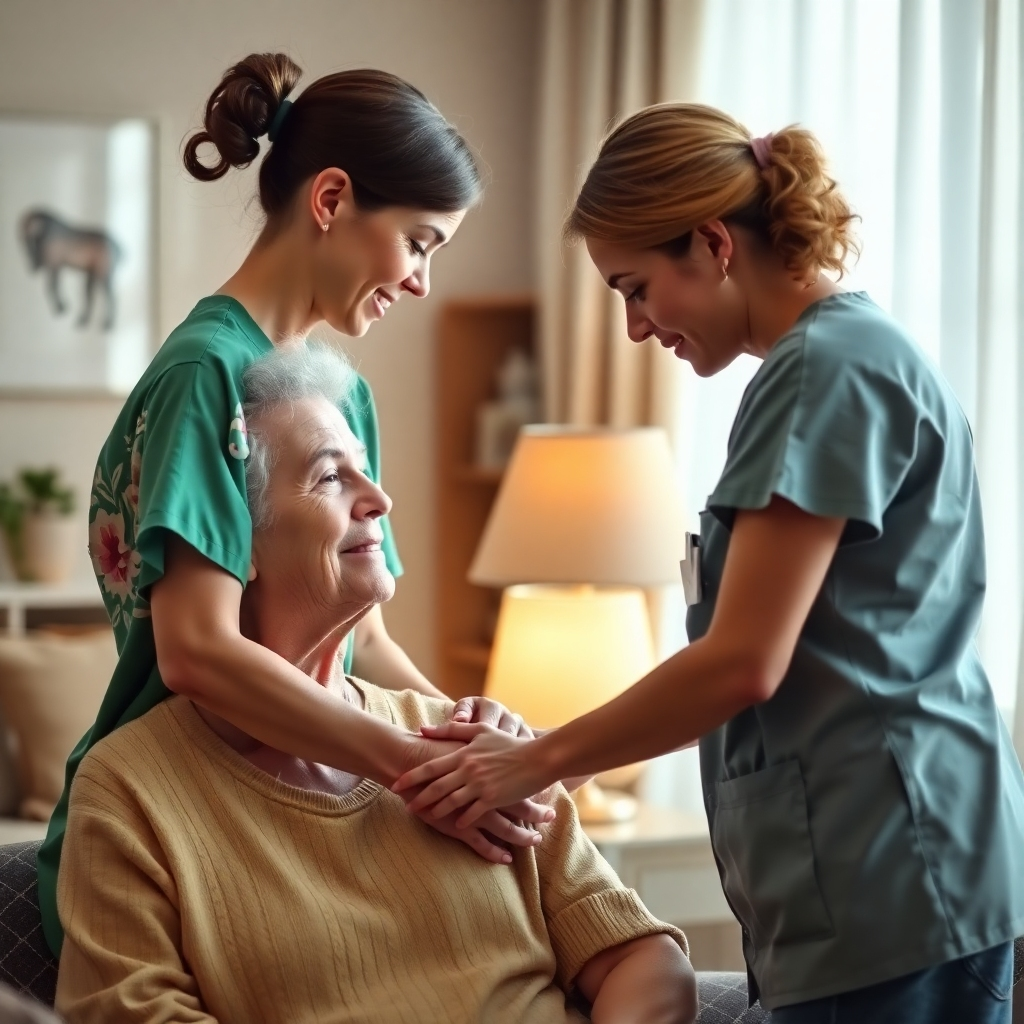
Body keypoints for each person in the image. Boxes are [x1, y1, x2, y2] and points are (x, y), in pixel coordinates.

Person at [395, 104, 1024, 1022]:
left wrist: (532, 766)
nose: (636, 328)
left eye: (636, 287)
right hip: (891, 883)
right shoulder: (845, 358)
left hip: (892, 880)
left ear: (712, 244)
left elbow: (742, 661)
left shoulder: (825, 374)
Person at [38, 52, 551, 958]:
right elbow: (196, 650)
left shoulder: (341, 396)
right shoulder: (206, 374)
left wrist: (476, 742)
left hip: (308, 792)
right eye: (421, 242)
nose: (423, 282)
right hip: (177, 817)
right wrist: (411, 767)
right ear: (332, 200)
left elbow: (369, 641)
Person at [54, 344, 696, 1024]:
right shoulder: (131, 788)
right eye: (332, 478)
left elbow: (646, 961)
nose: (380, 499)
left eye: (366, 472)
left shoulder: (470, 741)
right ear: (231, 540)